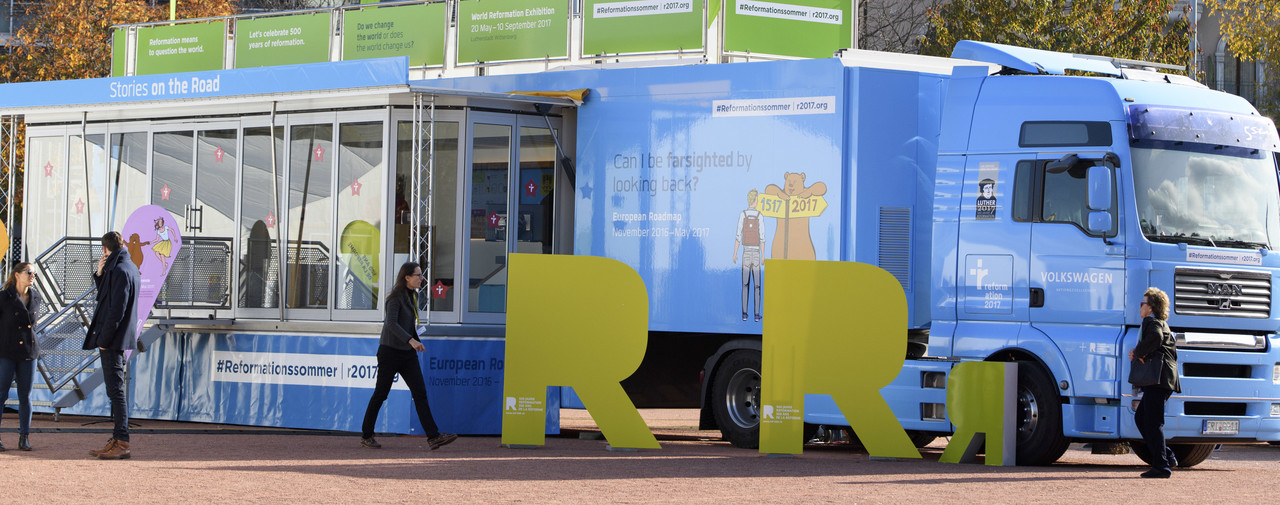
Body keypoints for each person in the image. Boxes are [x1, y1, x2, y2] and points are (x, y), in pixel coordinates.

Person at [360, 261, 457, 451]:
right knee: (381, 393)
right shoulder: (395, 298)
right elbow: (391, 324)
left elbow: (408, 324)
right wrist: (410, 341)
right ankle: (366, 435)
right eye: (418, 275)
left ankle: (433, 437)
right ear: (407, 277)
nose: (422, 278)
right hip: (389, 352)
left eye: (421, 275)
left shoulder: (412, 295)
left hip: (407, 354)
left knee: (420, 392)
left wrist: (414, 339)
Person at [83, 231, 141, 460]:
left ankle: (122, 441)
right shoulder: (128, 267)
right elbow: (108, 296)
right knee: (115, 391)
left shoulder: (119, 270)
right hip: (118, 337)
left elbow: (116, 309)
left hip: (113, 339)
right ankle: (118, 439)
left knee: (115, 391)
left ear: (105, 250)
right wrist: (99, 274)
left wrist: (104, 340)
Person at [1128, 286, 1180, 478]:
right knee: (1142, 419)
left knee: (1152, 422)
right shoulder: (1158, 322)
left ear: (1151, 308)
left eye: (1143, 303)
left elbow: (1156, 338)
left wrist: (1139, 352)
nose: (1140, 306)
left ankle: (1161, 467)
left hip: (1159, 379)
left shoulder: (1151, 322)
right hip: (1163, 379)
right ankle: (1166, 457)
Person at [0, 262, 43, 451]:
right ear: (17, 275)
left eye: (34, 273)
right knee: (1, 395)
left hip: (28, 351)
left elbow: (33, 326)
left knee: (25, 396)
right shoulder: (3, 297)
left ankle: (24, 436)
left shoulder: (35, 296)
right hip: (6, 351)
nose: (32, 275)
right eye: (29, 272)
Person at [733, 189, 766, 322]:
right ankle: (757, 315)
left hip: (745, 252)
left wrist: (735, 253)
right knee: (757, 285)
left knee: (745, 284)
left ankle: (744, 314)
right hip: (756, 253)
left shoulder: (743, 215)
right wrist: (763, 255)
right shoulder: (760, 216)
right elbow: (762, 238)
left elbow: (738, 235)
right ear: (755, 200)